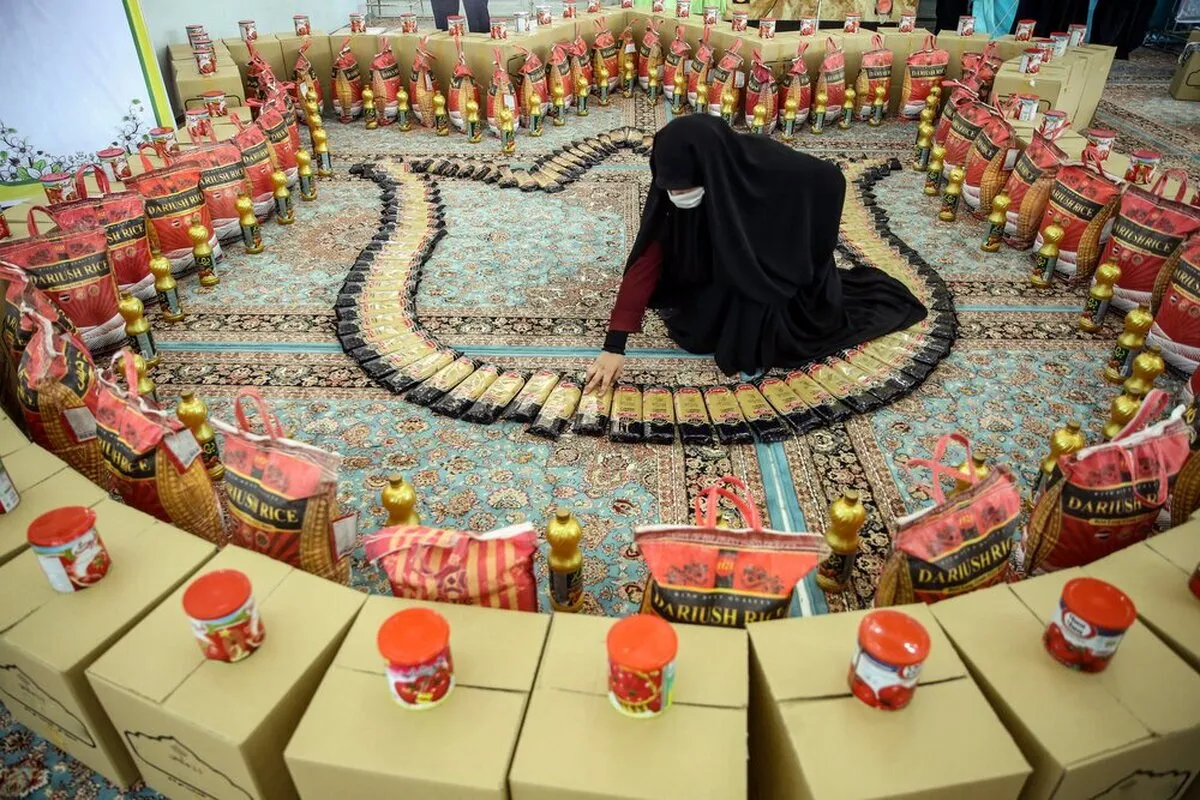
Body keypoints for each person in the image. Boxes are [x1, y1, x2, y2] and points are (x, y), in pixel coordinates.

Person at [584, 115, 928, 395]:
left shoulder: (769, 169)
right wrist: (615, 344)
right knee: (698, 328)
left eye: (685, 187)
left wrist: (801, 253)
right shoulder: (676, 182)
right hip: (724, 260)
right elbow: (649, 257)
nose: (677, 195)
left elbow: (829, 180)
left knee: (757, 340)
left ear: (711, 171)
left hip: (773, 267)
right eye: (670, 187)